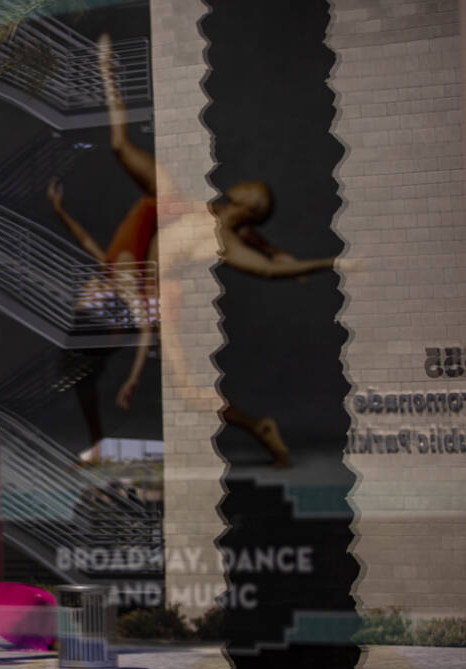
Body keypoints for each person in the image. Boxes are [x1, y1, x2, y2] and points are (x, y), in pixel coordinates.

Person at [47, 34, 337, 468]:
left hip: (147, 293)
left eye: (246, 190)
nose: (238, 182)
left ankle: (257, 428)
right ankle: (99, 444)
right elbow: (120, 151)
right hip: (132, 280)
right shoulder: (203, 212)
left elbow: (255, 253)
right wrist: (108, 75)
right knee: (83, 372)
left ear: (247, 204)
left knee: (181, 388)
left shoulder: (219, 232)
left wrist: (294, 264)